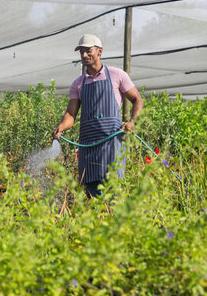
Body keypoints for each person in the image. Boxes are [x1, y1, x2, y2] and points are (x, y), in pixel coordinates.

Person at [53, 34, 143, 197]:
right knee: (92, 195)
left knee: (112, 192)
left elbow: (137, 99)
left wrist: (133, 122)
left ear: (99, 51)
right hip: (88, 145)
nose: (84, 55)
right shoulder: (78, 83)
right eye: (81, 52)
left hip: (112, 143)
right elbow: (70, 115)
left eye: (88, 51)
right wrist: (61, 126)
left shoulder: (117, 75)